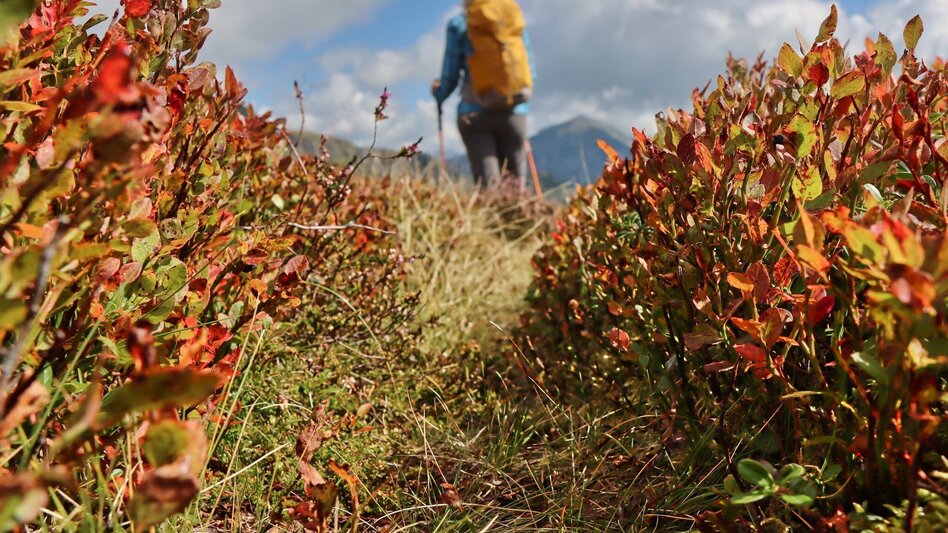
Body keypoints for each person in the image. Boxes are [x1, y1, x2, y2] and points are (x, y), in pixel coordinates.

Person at [432, 0, 535, 186]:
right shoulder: (512, 17)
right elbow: (529, 71)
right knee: (516, 186)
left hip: (474, 113)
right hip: (515, 112)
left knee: (488, 186)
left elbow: (450, 77)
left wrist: (439, 94)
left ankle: (490, 202)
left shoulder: (460, 23)